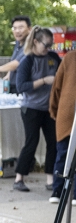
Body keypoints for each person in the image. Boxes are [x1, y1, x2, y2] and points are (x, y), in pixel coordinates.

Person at [13, 26, 61, 193]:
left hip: (49, 108)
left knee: (53, 143)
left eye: (50, 45)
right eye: (45, 45)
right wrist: (43, 81)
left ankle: (50, 178)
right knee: (31, 142)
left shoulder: (54, 58)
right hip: (31, 108)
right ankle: (19, 177)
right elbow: (21, 86)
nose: (48, 49)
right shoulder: (27, 61)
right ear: (35, 42)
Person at [49, 46, 76, 203]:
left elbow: (56, 87)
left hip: (66, 113)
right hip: (68, 113)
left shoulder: (69, 57)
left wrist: (54, 111)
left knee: (63, 154)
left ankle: (57, 191)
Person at [0, 16, 32, 83]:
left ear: (29, 29)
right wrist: (8, 76)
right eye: (14, 28)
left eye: (21, 28)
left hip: (25, 87)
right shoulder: (18, 43)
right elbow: (13, 63)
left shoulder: (31, 44)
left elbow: (17, 63)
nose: (17, 31)